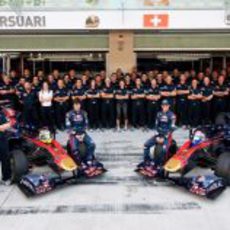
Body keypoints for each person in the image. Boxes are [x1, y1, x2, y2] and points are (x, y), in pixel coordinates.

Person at [143, 100, 176, 164]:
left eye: (166, 105)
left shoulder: (172, 115)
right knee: (145, 145)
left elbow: (172, 128)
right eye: (163, 105)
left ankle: (160, 164)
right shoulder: (159, 114)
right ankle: (147, 160)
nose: (165, 107)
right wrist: (157, 136)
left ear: (169, 106)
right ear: (161, 106)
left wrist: (164, 137)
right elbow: (156, 126)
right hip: (158, 134)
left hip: (167, 136)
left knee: (164, 150)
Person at [66, 99, 95, 163]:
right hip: (73, 134)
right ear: (73, 105)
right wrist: (74, 134)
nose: (77, 106)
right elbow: (68, 126)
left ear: (80, 105)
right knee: (74, 149)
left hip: (82, 132)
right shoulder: (69, 114)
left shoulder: (84, 113)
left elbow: (86, 124)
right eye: (75, 105)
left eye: (78, 104)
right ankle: (79, 161)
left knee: (92, 144)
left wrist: (83, 133)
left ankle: (89, 158)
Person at [0, 107, 15, 185]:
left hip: (2, 140)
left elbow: (9, 124)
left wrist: (3, 127)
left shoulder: (1, 114)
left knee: (5, 159)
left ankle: (6, 178)